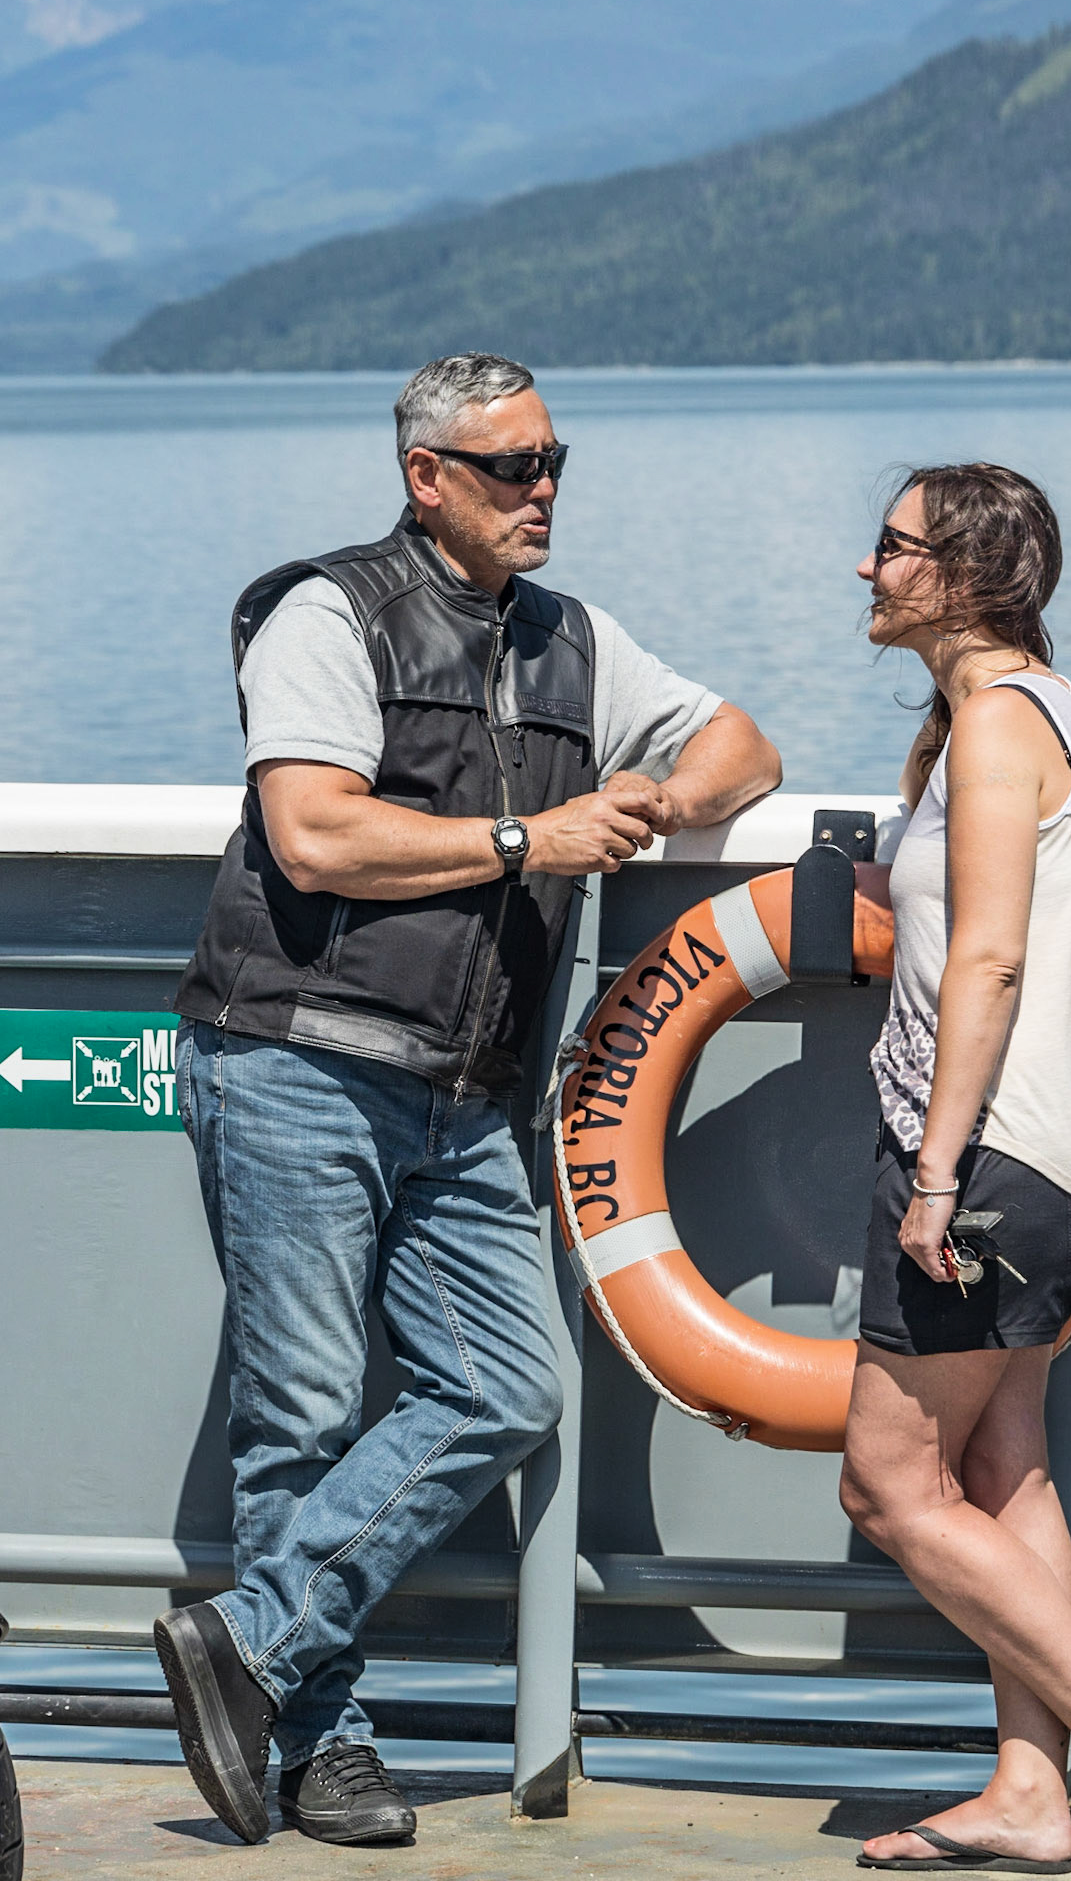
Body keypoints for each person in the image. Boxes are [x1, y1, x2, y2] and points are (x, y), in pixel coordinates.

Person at [156, 352, 781, 1849]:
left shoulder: (573, 639)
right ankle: (323, 1748)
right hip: (299, 1056)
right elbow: (314, 837)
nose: (543, 489)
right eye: (511, 467)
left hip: (467, 1088)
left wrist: (657, 802)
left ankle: (250, 1640)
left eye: (555, 461)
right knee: (303, 1416)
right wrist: (529, 838)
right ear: (427, 477)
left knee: (507, 1386)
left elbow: (744, 745)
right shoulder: (327, 613)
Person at [839, 463, 1071, 1874]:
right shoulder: (1053, 712)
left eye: (893, 548)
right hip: (1069, 1150)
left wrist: (935, 1175)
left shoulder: (997, 726)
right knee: (1004, 1467)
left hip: (991, 1154)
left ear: (963, 574)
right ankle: (1027, 1793)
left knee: (886, 1487)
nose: (867, 569)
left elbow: (989, 961)